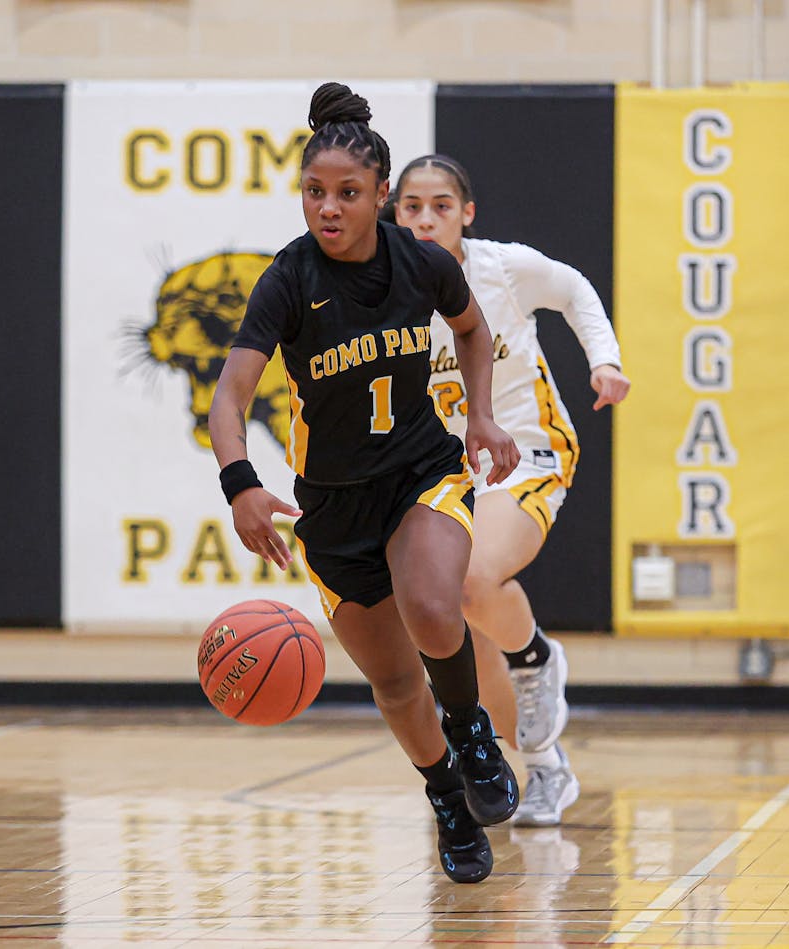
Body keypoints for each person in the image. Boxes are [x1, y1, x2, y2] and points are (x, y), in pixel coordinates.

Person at [209, 82, 523, 885]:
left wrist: (481, 416)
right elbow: (228, 398)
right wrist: (240, 482)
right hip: (333, 508)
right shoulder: (288, 280)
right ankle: (448, 796)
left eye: (348, 193)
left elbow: (473, 330)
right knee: (391, 679)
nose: (329, 207)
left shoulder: (419, 263)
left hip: (421, 469)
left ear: (381, 196)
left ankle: (472, 728)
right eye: (315, 192)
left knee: (430, 604)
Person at [389, 155, 629, 827]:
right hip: (444, 474)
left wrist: (603, 359)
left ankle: (537, 657)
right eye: (412, 206)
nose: (426, 216)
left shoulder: (499, 268)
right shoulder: (380, 289)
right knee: (456, 625)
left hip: (526, 454)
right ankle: (546, 767)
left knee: (470, 582)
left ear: (467, 214)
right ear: (394, 213)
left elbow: (575, 287)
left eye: (441, 204)